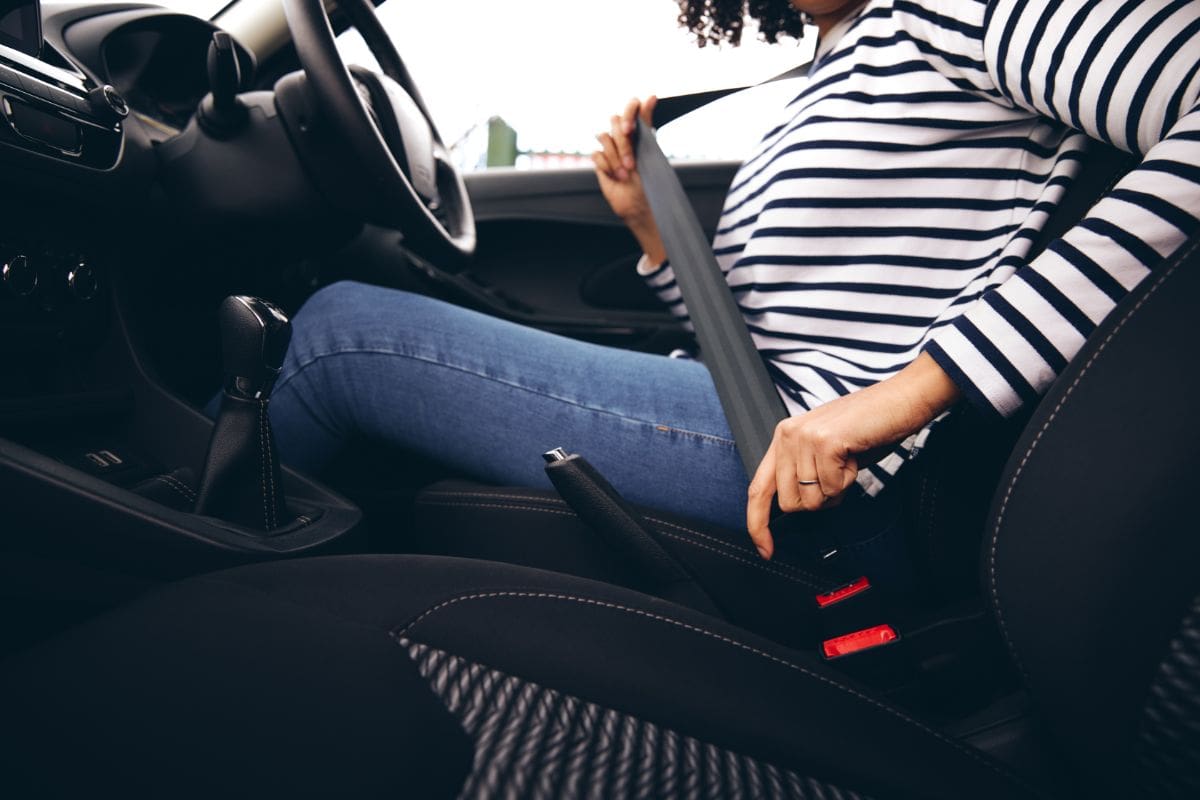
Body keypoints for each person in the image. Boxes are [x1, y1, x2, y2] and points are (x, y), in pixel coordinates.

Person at [259, 0, 1199, 586]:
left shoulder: (955, 10)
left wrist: (917, 389)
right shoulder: (822, 75)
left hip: (834, 475)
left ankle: (201, 559)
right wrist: (652, 233)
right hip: (763, 421)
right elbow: (750, 344)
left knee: (342, 336)